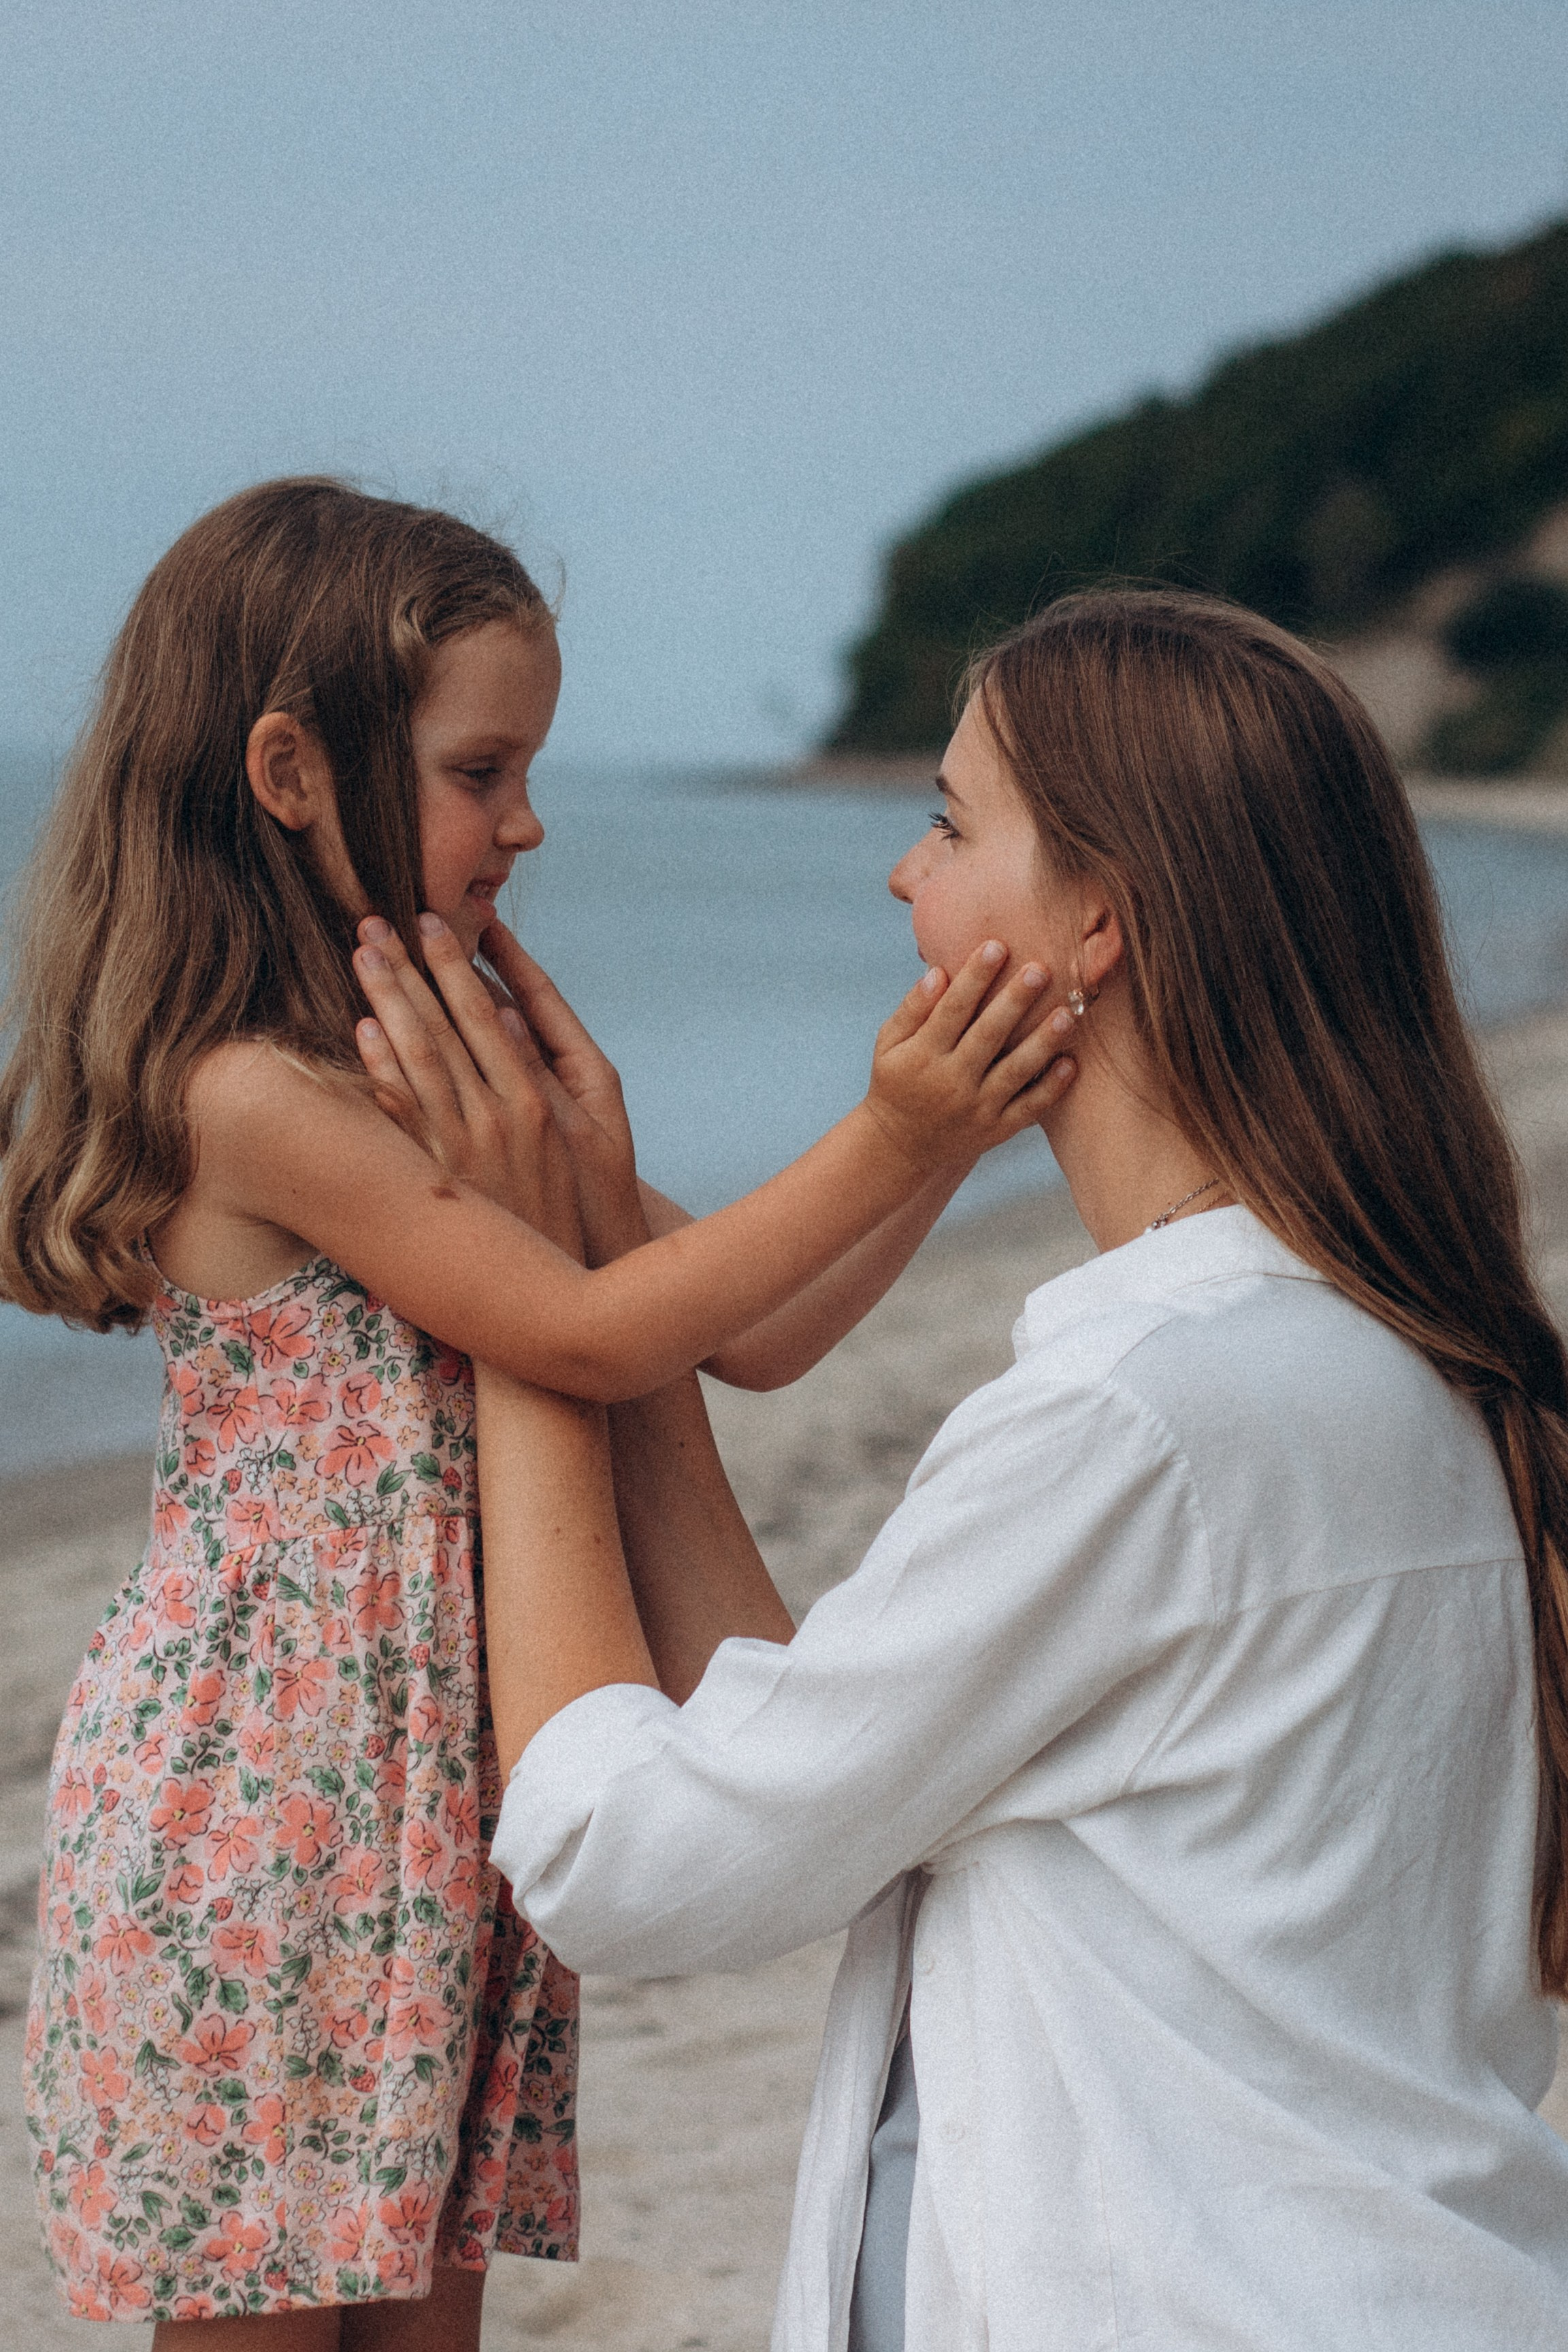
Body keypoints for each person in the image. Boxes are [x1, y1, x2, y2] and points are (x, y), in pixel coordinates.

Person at [378, 589, 1568, 2350]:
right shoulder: (1411, 1370)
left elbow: (628, 1861)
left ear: (1097, 922)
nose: (901, 877)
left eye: (948, 824)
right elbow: (828, 1777)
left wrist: (527, 1323)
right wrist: (613, 1308)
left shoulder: (1143, 1420)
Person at [0, 477, 1075, 2344]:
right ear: (289, 773)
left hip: (444, 1791)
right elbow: (583, 1331)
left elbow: (750, 1331)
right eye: (480, 772)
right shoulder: (250, 1096)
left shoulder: (435, 1068)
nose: (527, 821)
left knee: (431, 2312)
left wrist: (947, 1141)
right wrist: (891, 1133)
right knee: (263, 2315)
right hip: (267, 1808)